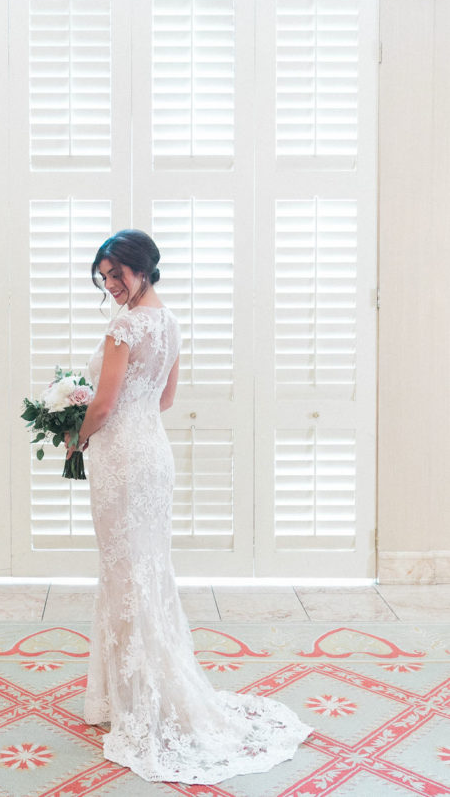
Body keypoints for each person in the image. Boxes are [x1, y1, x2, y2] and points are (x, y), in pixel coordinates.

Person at [65, 229, 313, 784]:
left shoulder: (126, 326)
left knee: (126, 572)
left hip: (122, 458)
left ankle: (133, 704)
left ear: (143, 269)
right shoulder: (170, 322)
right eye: (103, 278)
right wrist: (113, 415)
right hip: (153, 452)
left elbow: (103, 404)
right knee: (145, 570)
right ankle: (137, 692)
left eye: (116, 274)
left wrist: (73, 435)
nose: (110, 286)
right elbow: (166, 398)